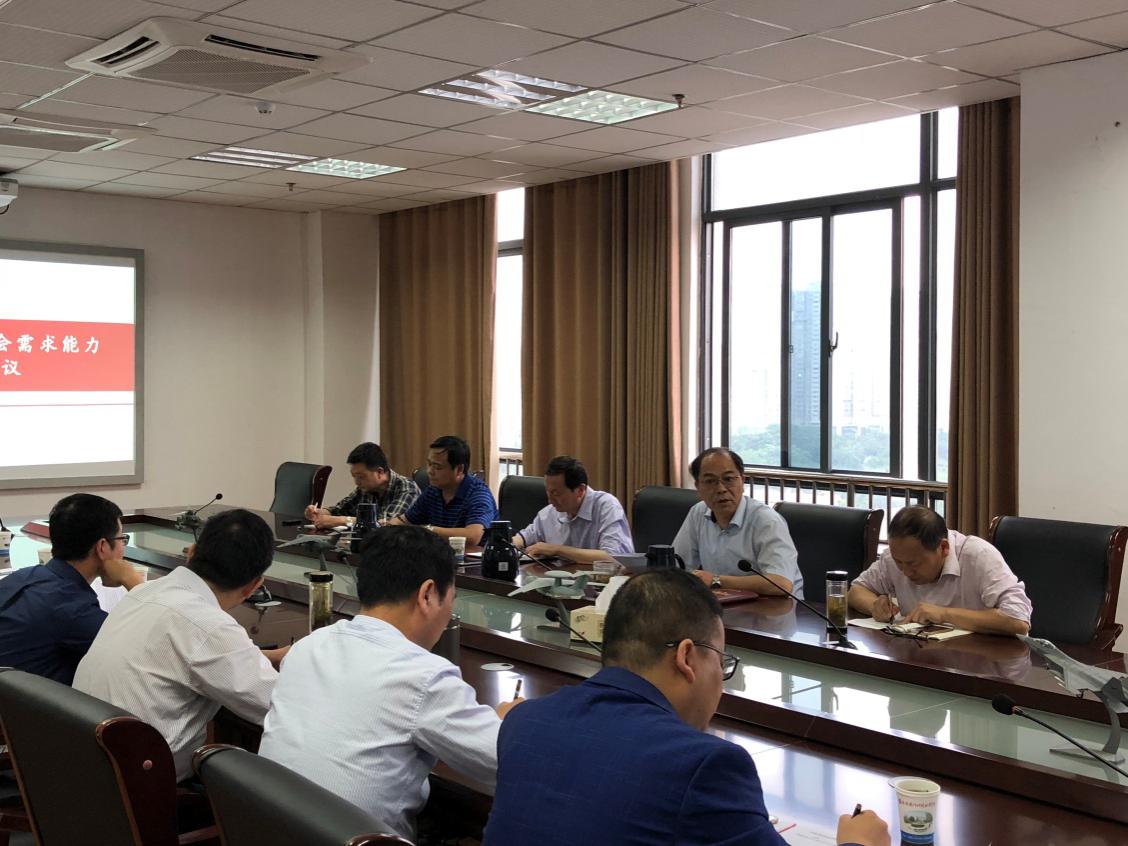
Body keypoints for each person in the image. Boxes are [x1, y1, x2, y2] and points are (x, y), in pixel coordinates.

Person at [482, 569, 888, 846]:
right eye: (722, 662)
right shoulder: (705, 766)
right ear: (687, 657)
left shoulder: (524, 722)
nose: (721, 682)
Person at [260, 525, 520, 841]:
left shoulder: (309, 645)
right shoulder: (424, 675)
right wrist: (510, 722)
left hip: (272, 832)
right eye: (451, 599)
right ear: (427, 594)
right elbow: (508, 762)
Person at [73, 509, 287, 781]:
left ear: (191, 552)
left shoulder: (144, 591)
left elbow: (188, 655)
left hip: (85, 767)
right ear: (254, 586)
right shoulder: (210, 627)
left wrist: (263, 656)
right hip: (141, 788)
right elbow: (281, 707)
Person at [0, 493, 143, 684]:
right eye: (121, 539)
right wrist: (133, 580)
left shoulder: (21, 577)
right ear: (102, 547)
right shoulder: (74, 609)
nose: (123, 547)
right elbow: (144, 652)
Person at [847, 506, 1032, 636]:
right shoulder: (894, 557)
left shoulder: (978, 556)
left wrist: (944, 614)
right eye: (899, 563)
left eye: (913, 564)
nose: (906, 572)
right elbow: (856, 591)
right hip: (916, 656)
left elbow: (1018, 621)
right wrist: (874, 606)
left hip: (980, 661)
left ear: (943, 548)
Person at [673, 447, 803, 598]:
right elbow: (677, 567)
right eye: (710, 481)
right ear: (698, 487)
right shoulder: (698, 513)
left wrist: (716, 580)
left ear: (743, 481)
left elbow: (781, 584)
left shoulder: (766, 520)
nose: (721, 489)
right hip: (724, 605)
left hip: (777, 607)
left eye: (728, 479)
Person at [513, 455, 633, 563]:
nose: (550, 500)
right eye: (548, 492)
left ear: (580, 490)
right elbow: (523, 538)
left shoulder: (607, 507)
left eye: (556, 493)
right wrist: (509, 545)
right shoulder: (550, 512)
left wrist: (558, 550)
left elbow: (614, 557)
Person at [388, 435, 497, 546]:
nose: (430, 471)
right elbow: (404, 521)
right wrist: (389, 525)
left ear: (459, 469)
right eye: (429, 464)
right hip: (441, 553)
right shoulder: (433, 491)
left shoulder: (478, 494)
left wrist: (428, 530)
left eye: (437, 467)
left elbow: (472, 536)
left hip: (473, 556)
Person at [304, 441, 419, 529]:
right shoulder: (366, 489)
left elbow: (386, 523)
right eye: (354, 476)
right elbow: (340, 510)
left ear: (379, 472)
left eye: (361, 476)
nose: (357, 482)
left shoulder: (407, 488)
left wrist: (341, 521)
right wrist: (319, 512)